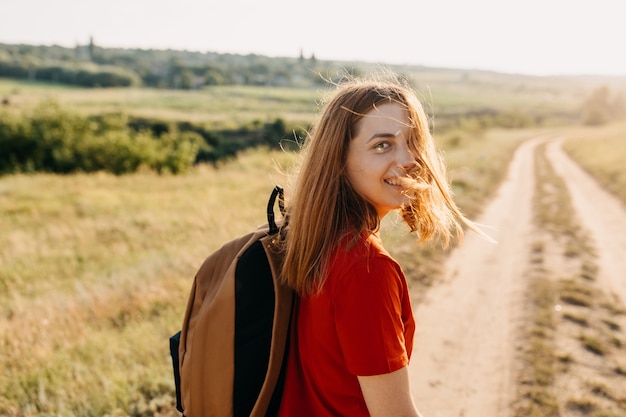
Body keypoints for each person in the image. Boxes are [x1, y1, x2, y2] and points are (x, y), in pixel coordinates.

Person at [277, 72, 476, 417]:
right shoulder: (366, 270)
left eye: (413, 141)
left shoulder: (314, 239)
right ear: (339, 161)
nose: (409, 158)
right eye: (382, 145)